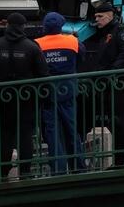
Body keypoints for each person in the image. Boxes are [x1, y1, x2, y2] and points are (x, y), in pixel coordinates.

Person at [0, 12, 49, 179]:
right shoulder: (32, 47)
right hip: (26, 99)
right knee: (25, 136)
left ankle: (3, 171)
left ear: (7, 25)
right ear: (23, 27)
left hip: (3, 100)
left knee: (4, 136)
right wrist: (39, 97)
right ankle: (26, 171)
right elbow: (43, 75)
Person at [80, 0, 124, 166]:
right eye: (95, 16)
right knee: (114, 123)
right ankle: (123, 160)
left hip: (117, 85)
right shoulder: (104, 34)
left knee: (119, 123)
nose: (96, 19)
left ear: (110, 15)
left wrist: (110, 72)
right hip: (105, 86)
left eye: (100, 16)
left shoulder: (121, 32)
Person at [35, 11, 86, 174]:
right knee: (72, 128)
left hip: (47, 93)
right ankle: (78, 166)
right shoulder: (72, 41)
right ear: (61, 25)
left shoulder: (37, 44)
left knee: (52, 132)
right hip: (69, 91)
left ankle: (58, 168)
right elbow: (82, 59)